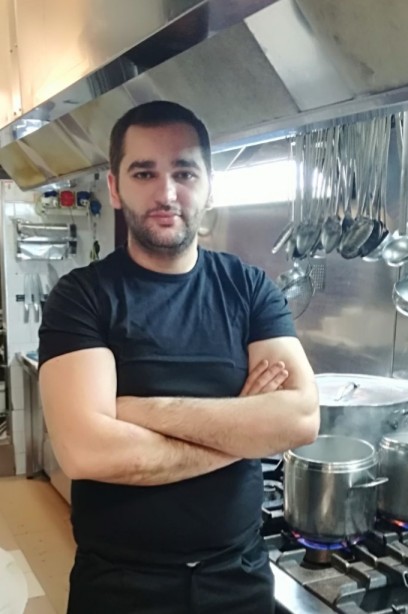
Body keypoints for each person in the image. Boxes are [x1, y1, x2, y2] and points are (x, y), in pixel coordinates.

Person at [38, 100, 320, 614]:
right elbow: (86, 452)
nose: (167, 193)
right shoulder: (82, 296)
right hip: (120, 589)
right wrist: (243, 434)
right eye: (144, 173)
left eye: (184, 172)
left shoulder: (249, 289)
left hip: (238, 583)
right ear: (115, 188)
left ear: (209, 186)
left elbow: (300, 418)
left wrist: (135, 411)